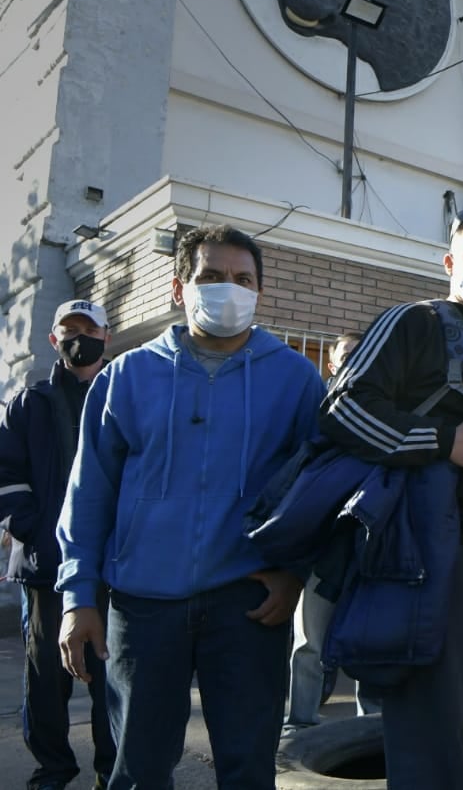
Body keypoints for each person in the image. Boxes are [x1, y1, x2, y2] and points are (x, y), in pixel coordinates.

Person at [56, 225, 326, 790]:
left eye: (242, 279)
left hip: (250, 605)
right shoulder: (126, 377)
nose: (229, 289)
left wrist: (294, 574)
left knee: (249, 770)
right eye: (211, 277)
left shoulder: (297, 379)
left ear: (259, 290)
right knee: (138, 770)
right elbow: (90, 492)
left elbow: (317, 488)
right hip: (143, 604)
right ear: (180, 288)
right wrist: (78, 596)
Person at [319, 205, 463, 789]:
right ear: (451, 261)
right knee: (433, 743)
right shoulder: (416, 323)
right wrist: (447, 441)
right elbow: (343, 410)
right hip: (435, 561)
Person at [0, 300, 116, 790]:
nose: (79, 336)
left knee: (113, 680)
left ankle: (112, 772)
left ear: (106, 337)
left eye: (89, 328)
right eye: (69, 329)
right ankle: (53, 770)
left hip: (114, 568)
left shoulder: (124, 392)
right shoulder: (29, 401)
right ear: (53, 339)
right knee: (47, 679)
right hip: (47, 568)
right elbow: (7, 477)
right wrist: (37, 530)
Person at [284, 328, 376, 733]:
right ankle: (300, 722)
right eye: (346, 353)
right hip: (322, 543)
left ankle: (369, 726)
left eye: (362, 352)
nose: (354, 359)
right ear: (332, 362)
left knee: (370, 641)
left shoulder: (383, 408)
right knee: (309, 642)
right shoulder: (316, 407)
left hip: (367, 543)